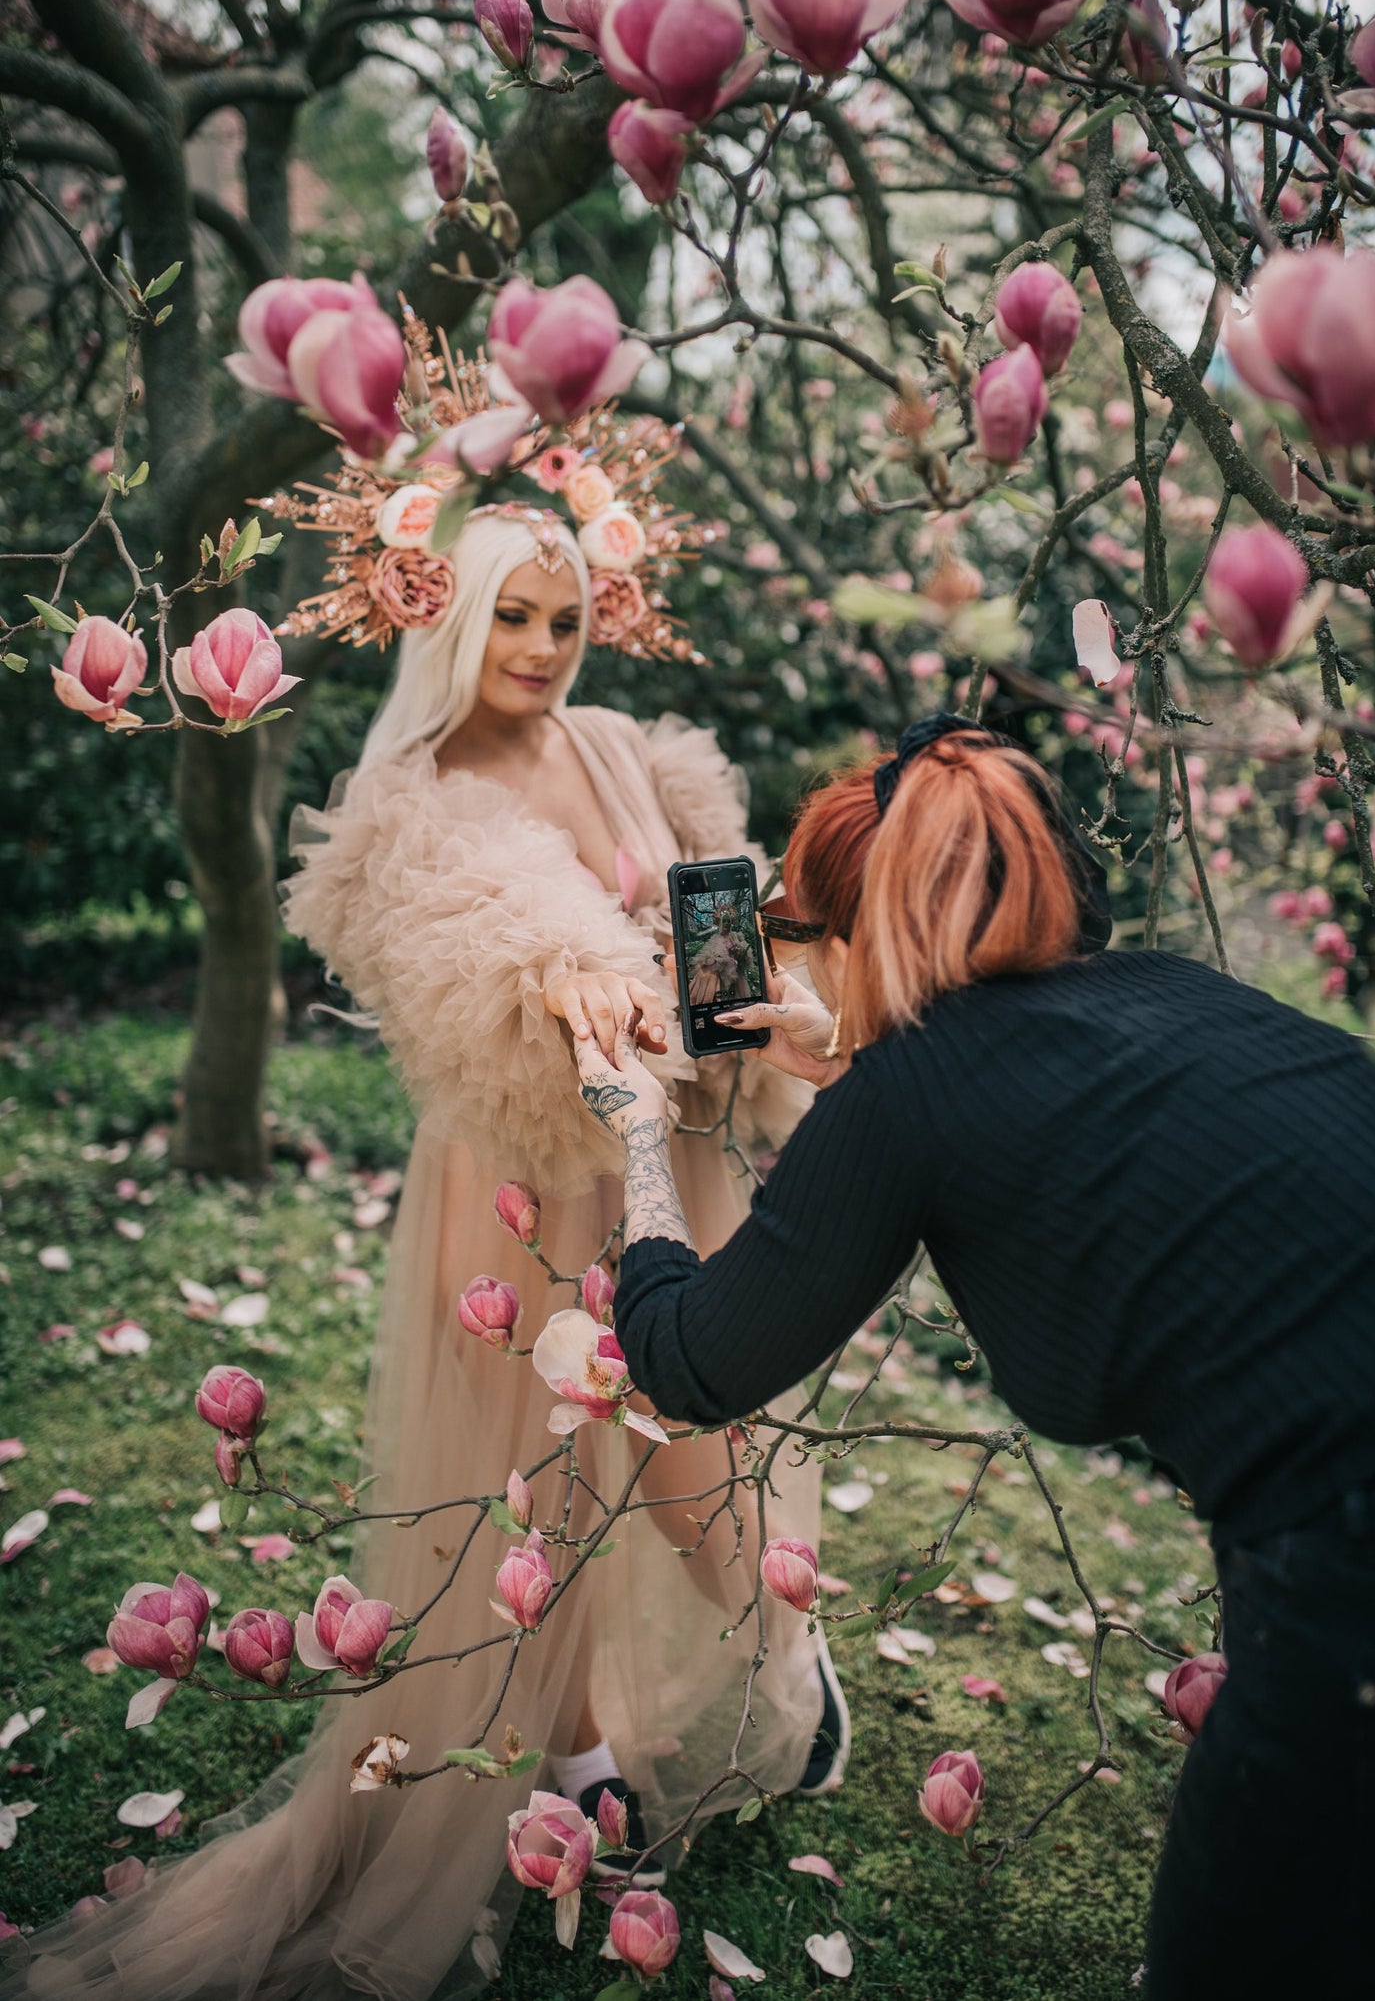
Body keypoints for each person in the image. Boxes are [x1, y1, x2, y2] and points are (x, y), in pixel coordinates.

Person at [0, 508, 832, 2001]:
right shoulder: (410, 797)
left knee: (698, 1429)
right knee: (557, 1461)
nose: (536, 650)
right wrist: (569, 984)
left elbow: (716, 932)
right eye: (509, 618)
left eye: (560, 622)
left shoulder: (622, 749)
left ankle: (774, 1652)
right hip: (530, 1173)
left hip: (674, 1146)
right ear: (452, 622)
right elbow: (465, 980)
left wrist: (729, 1006)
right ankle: (573, 1739)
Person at [574, 712, 1375, 2001]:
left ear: (862, 931)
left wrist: (639, 1133)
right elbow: (1027, 1101)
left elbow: (688, 1362)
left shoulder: (909, 1097)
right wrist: (850, 1057)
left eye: (810, 936)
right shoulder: (1168, 990)